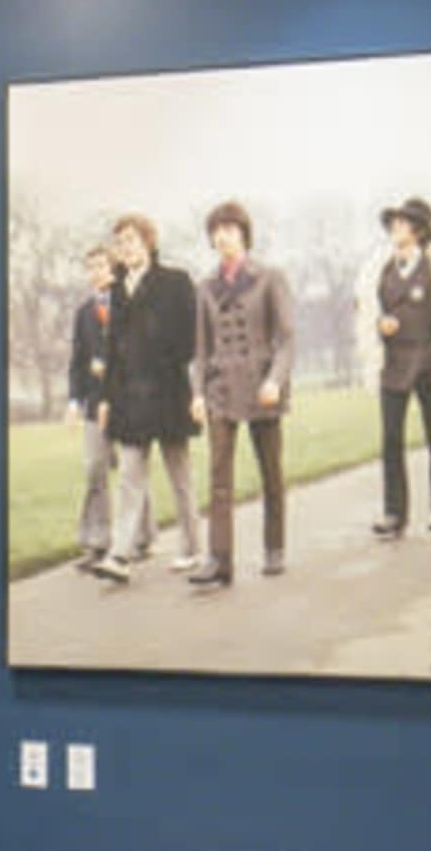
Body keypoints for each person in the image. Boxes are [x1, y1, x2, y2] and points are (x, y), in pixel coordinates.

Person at [352, 197, 431, 537]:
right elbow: (367, 311)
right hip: (393, 365)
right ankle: (395, 513)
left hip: (430, 361)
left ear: (419, 230)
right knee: (391, 439)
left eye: (403, 223)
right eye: (393, 223)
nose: (396, 228)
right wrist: (380, 323)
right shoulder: (379, 269)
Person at [185, 199, 294, 584]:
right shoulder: (204, 287)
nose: (221, 237)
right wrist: (197, 393)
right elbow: (199, 350)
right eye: (215, 231)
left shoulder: (270, 277)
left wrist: (275, 381)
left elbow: (286, 339)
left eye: (229, 229)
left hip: (262, 386)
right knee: (218, 478)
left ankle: (274, 548)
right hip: (221, 390)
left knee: (270, 472)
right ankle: (219, 560)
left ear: (243, 234)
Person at [90, 211, 198, 584]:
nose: (126, 248)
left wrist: (189, 390)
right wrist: (105, 399)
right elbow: (112, 349)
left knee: (179, 476)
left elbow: (189, 341)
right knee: (130, 478)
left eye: (132, 240)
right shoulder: (116, 292)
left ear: (148, 242)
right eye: (120, 243)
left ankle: (191, 547)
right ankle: (120, 556)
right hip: (130, 400)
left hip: (168, 393)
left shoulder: (176, 282)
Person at [66, 242, 117, 569]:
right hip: (93, 403)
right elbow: (77, 362)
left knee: (129, 470)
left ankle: (138, 538)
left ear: (113, 268)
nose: (95, 272)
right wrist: (74, 400)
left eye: (101, 265)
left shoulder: (127, 304)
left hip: (126, 401)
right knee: (95, 470)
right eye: (90, 267)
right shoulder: (83, 313)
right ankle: (95, 544)